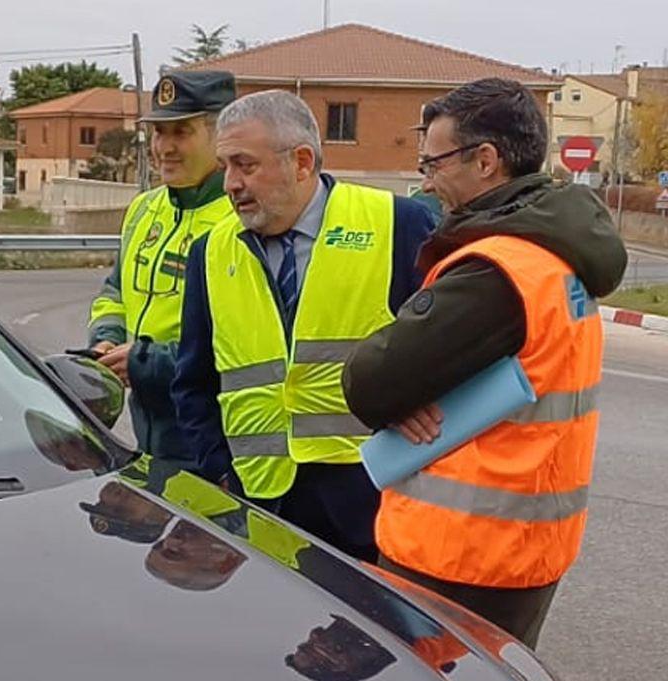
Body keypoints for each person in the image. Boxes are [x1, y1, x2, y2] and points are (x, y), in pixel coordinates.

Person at [342, 78, 627, 648]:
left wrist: (401, 390)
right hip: (522, 550)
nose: (426, 181)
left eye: (434, 163)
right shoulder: (558, 255)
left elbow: (369, 383)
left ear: (486, 160)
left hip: (458, 557)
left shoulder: (497, 272)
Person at [172, 91, 436, 561]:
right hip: (260, 503)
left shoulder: (400, 224)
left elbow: (444, 353)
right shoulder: (210, 252)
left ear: (301, 161)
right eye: (225, 166)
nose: (230, 183)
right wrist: (220, 473)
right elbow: (193, 380)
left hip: (373, 504)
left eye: (244, 165)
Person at [87, 70, 237, 463]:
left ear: (220, 136)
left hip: (209, 434)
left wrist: (145, 362)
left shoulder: (239, 219)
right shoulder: (143, 208)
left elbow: (237, 341)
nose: (164, 147)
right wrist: (106, 340)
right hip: (147, 427)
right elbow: (115, 293)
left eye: (181, 133)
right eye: (158, 133)